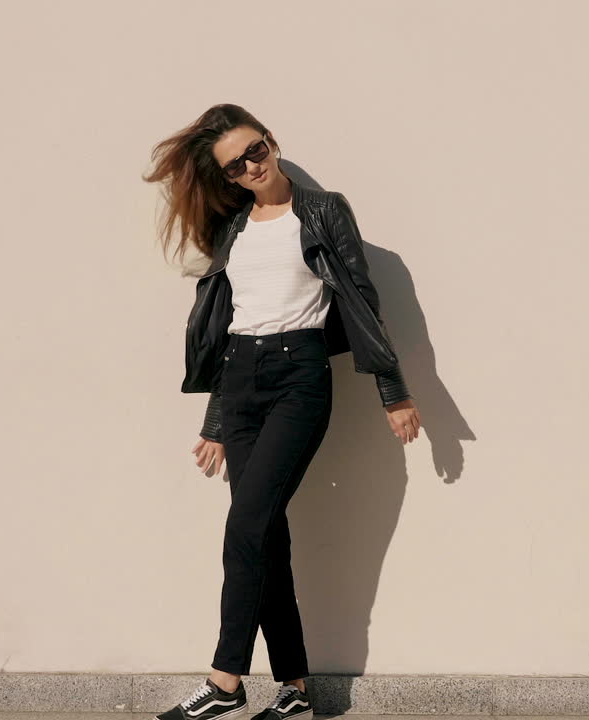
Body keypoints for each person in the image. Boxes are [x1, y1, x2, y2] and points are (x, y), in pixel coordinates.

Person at [142, 103, 421, 720]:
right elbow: (234, 325)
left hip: (300, 378)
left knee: (244, 528)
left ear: (271, 141)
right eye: (236, 166)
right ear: (229, 179)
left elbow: (361, 299)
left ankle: (225, 681)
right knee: (265, 534)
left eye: (255, 151)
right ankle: (294, 688)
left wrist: (393, 392)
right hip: (240, 383)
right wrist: (216, 422)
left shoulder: (323, 211)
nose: (251, 167)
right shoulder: (235, 228)